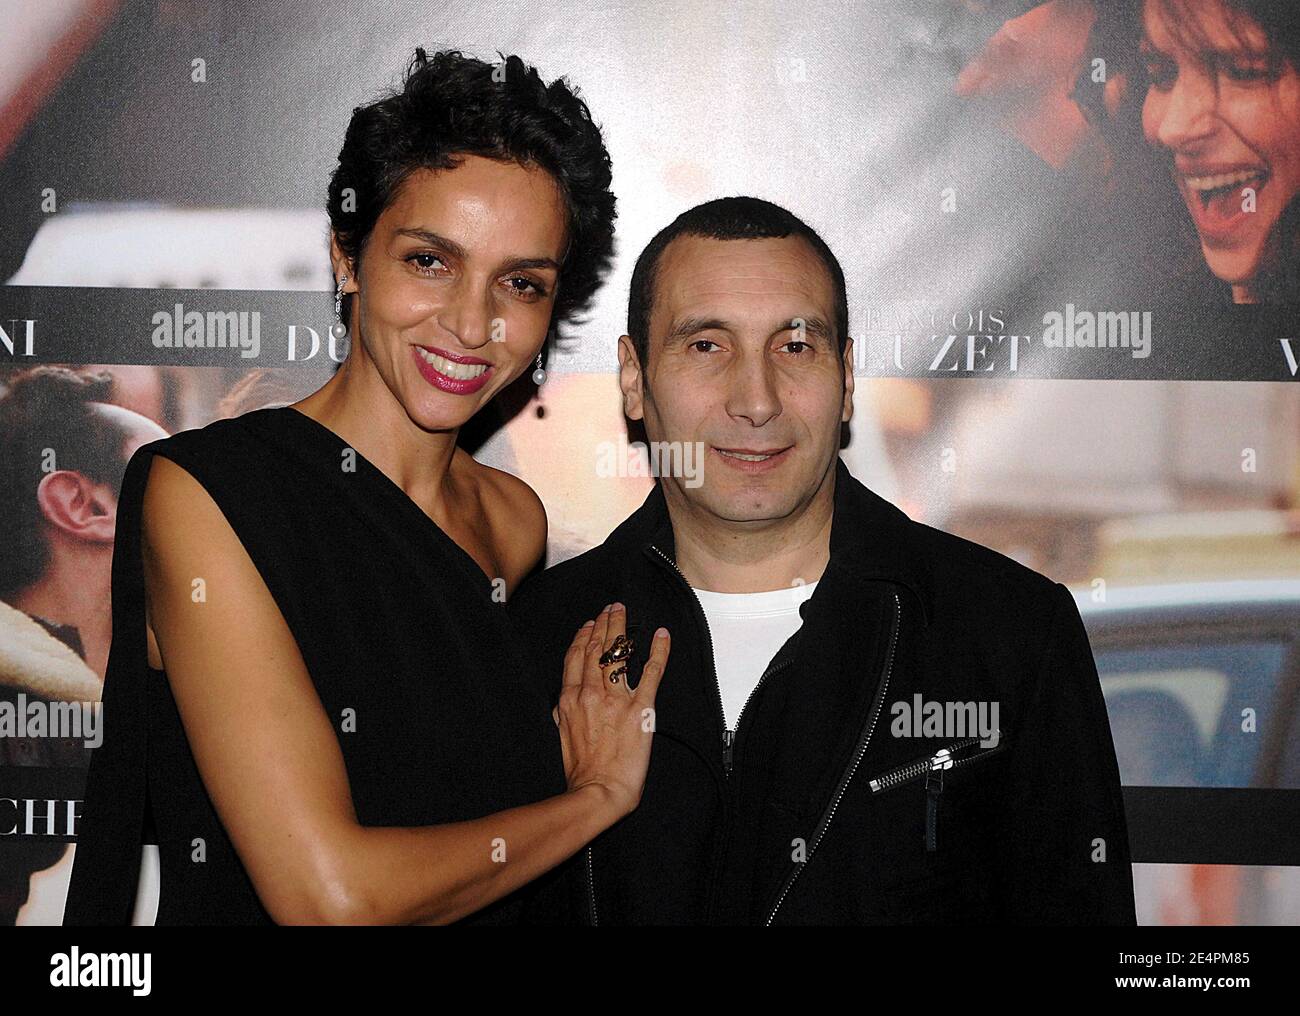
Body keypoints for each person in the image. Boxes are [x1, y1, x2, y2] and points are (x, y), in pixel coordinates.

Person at [63, 48, 670, 926]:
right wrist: (598, 796)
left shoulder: (514, 523)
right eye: (430, 261)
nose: (471, 322)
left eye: (520, 283)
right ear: (349, 258)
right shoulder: (204, 495)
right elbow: (327, 899)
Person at [511, 196, 1136, 924]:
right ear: (632, 377)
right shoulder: (533, 641)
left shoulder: (1008, 635)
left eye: (795, 346)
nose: (756, 400)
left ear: (844, 378)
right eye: (707, 345)